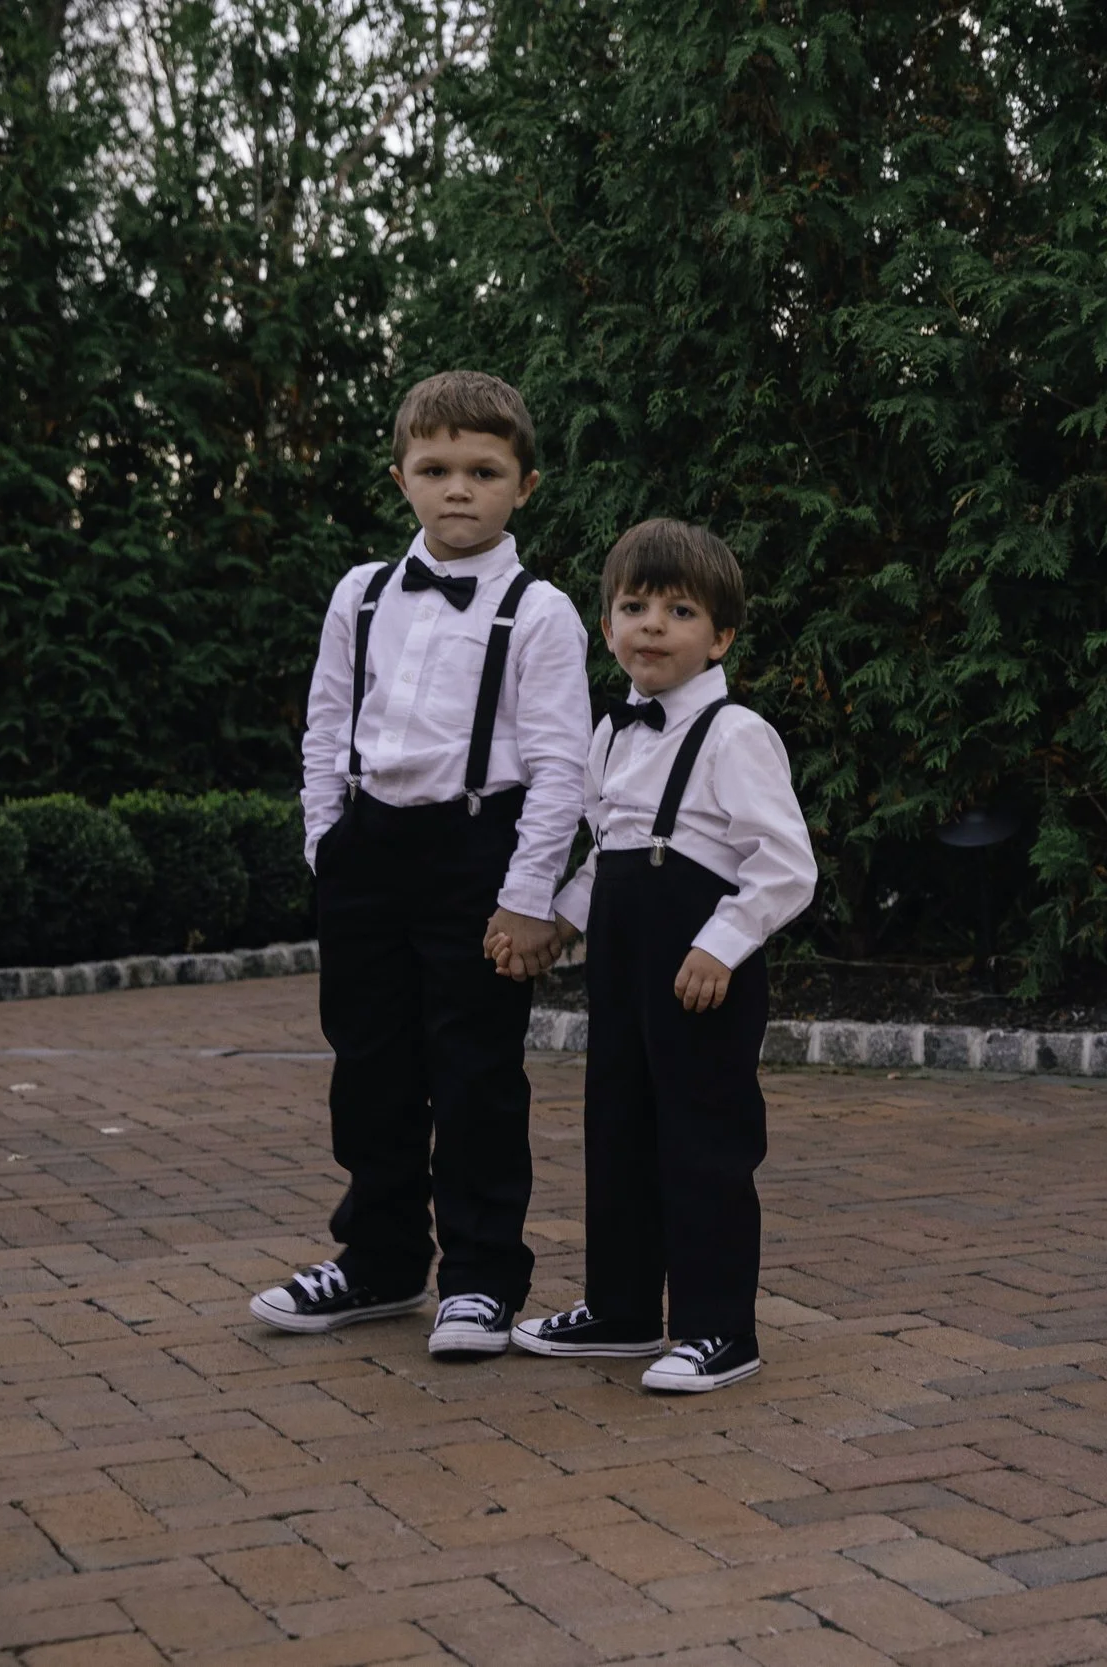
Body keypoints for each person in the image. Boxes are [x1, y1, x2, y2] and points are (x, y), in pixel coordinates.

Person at [252, 371, 591, 1357]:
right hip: (368, 851)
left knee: (476, 1071)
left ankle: (481, 1278)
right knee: (370, 1067)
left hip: (478, 854)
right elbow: (325, 720)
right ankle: (378, 1261)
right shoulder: (359, 594)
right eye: (435, 468)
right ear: (401, 476)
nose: (457, 489)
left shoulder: (541, 612)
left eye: (482, 471)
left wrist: (530, 895)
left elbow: (563, 764)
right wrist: (326, 838)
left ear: (523, 485)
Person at [500, 520, 815, 1392]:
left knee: (703, 1141)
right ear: (607, 629)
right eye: (633, 606)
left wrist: (721, 943)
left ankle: (720, 1328)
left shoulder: (735, 733)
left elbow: (786, 865)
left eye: (679, 610)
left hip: (701, 973)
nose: (651, 624)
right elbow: (608, 855)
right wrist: (560, 921)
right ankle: (623, 1307)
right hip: (624, 966)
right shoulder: (612, 735)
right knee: (620, 1128)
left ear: (720, 637)